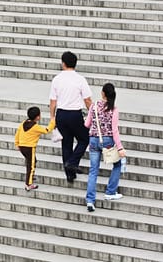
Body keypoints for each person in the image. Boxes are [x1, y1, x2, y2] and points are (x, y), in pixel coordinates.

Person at [49, 51, 92, 183]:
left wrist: (52, 117)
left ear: (63, 63)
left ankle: (69, 174)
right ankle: (73, 162)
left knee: (66, 143)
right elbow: (87, 100)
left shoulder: (57, 79)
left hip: (61, 114)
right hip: (75, 114)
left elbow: (52, 101)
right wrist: (93, 115)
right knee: (84, 139)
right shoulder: (80, 79)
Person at [84, 83, 126, 212]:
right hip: (107, 140)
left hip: (93, 140)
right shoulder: (114, 109)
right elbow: (115, 130)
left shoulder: (94, 105)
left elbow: (87, 124)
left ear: (102, 93)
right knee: (117, 164)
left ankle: (90, 200)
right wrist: (120, 147)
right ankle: (110, 191)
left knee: (93, 171)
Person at [15, 106, 55, 191]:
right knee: (31, 166)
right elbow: (46, 130)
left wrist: (17, 144)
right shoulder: (35, 127)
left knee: (32, 161)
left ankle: (30, 177)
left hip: (22, 147)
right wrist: (53, 122)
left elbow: (17, 133)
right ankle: (29, 184)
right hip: (30, 148)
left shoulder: (23, 123)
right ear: (37, 117)